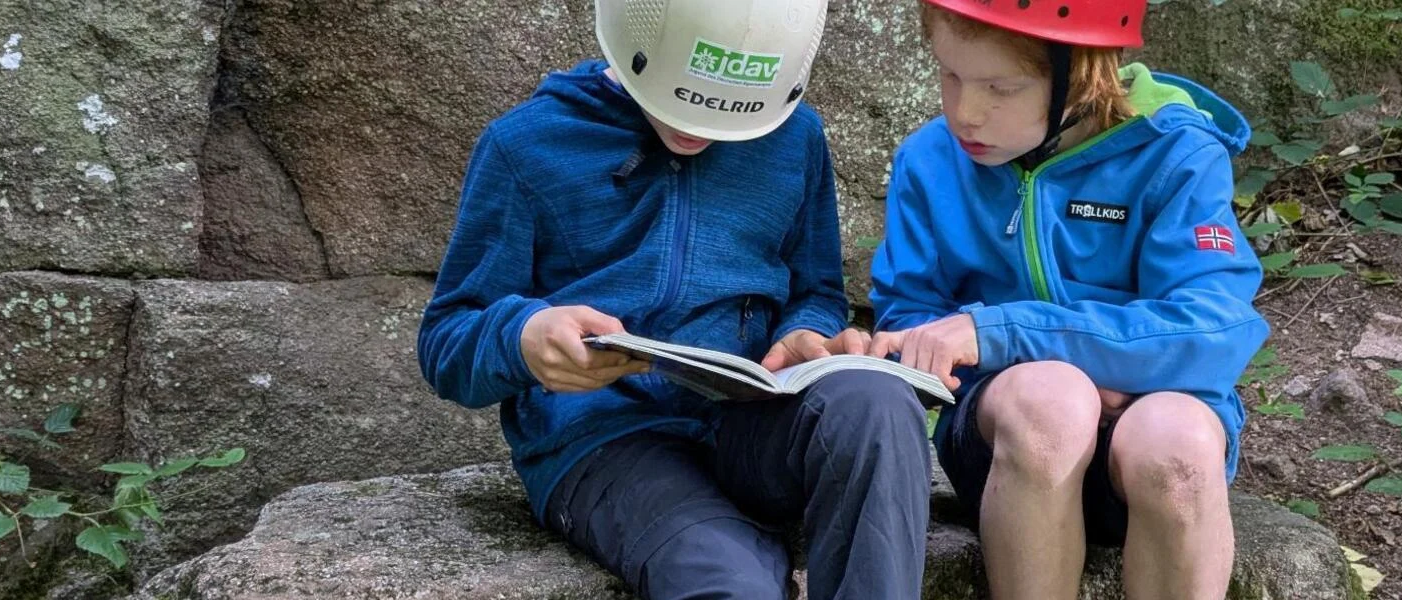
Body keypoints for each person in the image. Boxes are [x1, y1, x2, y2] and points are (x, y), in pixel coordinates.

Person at [415, 1, 931, 598]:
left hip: (750, 423)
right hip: (607, 443)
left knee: (879, 401)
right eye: (682, 104)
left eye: (725, 118)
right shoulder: (527, 147)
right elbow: (446, 338)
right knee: (727, 582)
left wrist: (803, 332)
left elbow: (815, 291)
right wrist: (521, 339)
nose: (699, 132)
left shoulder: (793, 138)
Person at [866, 0, 1271, 597]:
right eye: (949, 75)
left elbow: (1215, 328)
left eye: (1000, 87)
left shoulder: (1177, 154)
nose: (964, 112)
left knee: (1177, 440)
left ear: (1086, 74)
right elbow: (909, 320)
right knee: (1051, 398)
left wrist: (1004, 333)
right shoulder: (930, 161)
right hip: (1008, 442)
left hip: (1147, 441)